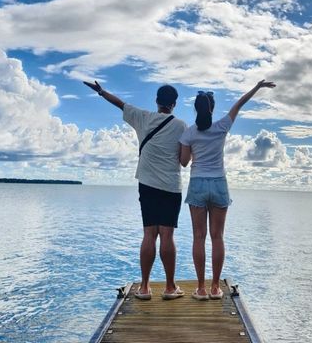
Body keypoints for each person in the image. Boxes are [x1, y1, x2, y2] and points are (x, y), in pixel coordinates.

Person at [83, 79, 188, 300]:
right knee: (167, 236)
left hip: (147, 185)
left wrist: (101, 91)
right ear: (174, 104)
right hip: (170, 186)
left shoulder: (143, 117)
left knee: (149, 234)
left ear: (157, 101)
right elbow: (182, 158)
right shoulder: (180, 126)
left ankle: (144, 288)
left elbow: (120, 104)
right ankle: (170, 288)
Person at [179, 79, 276, 300]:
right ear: (212, 108)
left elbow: (184, 162)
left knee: (198, 237)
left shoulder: (189, 133)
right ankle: (215, 288)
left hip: (198, 184)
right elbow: (239, 104)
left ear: (196, 108)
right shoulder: (222, 126)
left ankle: (201, 289)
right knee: (217, 237)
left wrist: (193, 151)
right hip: (219, 184)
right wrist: (257, 86)